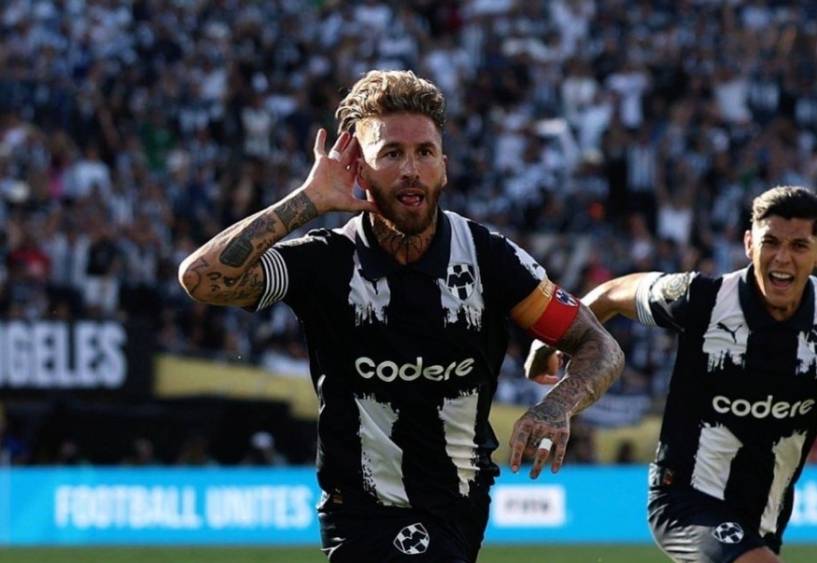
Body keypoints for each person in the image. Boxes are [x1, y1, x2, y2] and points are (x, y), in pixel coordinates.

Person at [178, 69, 623, 562]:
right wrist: (306, 202)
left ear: (444, 168)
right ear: (359, 170)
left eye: (424, 153)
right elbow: (201, 278)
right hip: (358, 511)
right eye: (391, 154)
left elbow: (599, 345)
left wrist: (557, 406)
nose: (411, 169)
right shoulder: (327, 261)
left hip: (459, 509)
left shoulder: (489, 258)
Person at [526, 186, 817, 563]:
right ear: (749, 244)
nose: (782, 258)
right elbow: (615, 293)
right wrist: (552, 341)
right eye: (771, 242)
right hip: (685, 499)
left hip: (765, 517)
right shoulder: (704, 299)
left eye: (799, 246)